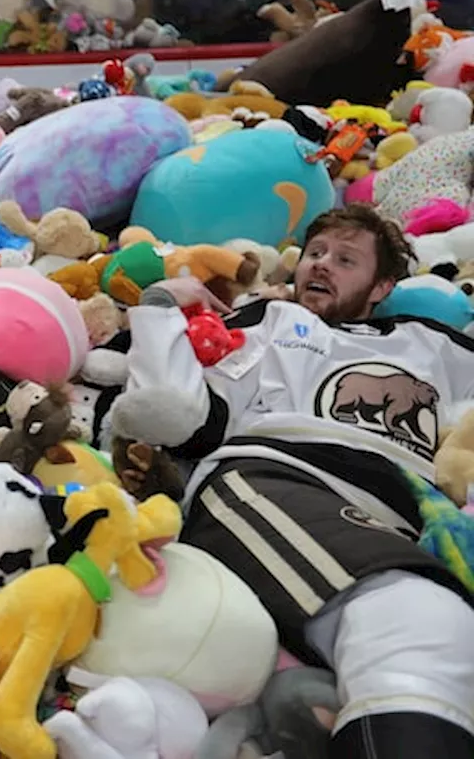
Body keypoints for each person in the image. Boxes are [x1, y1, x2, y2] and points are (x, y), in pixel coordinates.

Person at [121, 204, 474, 757]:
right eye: (314, 254)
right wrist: (162, 309)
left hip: (408, 519)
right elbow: (174, 416)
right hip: (276, 476)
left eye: (345, 259)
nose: (322, 265)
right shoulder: (273, 322)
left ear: (381, 286)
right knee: (417, 620)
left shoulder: (431, 344)